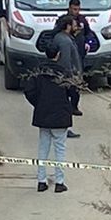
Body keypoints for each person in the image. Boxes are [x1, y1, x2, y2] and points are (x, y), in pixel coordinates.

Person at [23, 42, 76, 193]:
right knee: (60, 149)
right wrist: (70, 105)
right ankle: (59, 182)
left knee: (43, 148)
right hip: (60, 114)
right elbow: (73, 91)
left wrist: (38, 103)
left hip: (43, 114)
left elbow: (29, 91)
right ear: (58, 54)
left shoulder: (38, 72)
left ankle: (41, 181)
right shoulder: (64, 72)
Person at [37, 13, 85, 131]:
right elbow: (66, 62)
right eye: (74, 25)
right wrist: (70, 79)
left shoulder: (62, 38)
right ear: (68, 26)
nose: (76, 27)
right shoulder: (65, 41)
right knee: (66, 104)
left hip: (65, 77)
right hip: (67, 78)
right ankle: (65, 128)